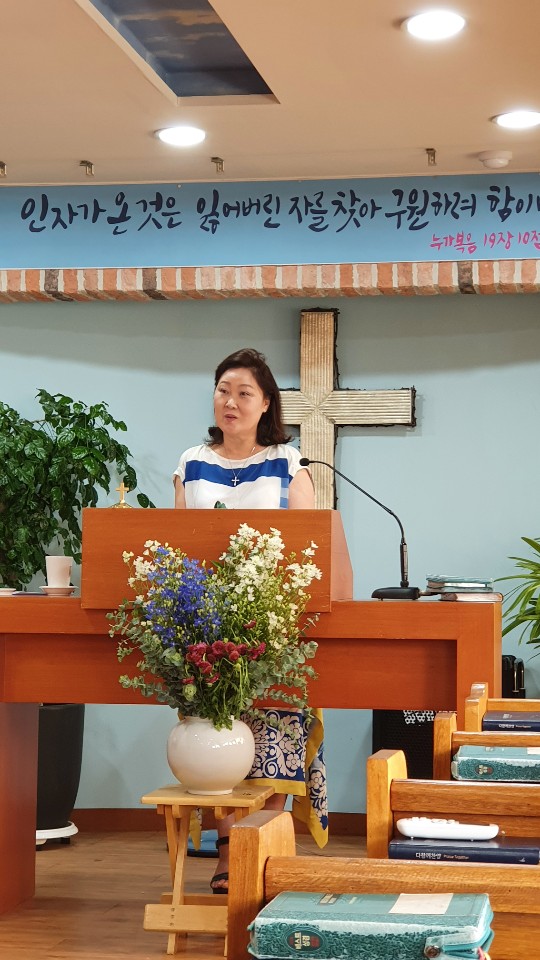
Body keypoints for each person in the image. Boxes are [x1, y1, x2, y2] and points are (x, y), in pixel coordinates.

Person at [173, 347, 327, 892]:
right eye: (223, 390)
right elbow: (178, 543)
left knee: (273, 735)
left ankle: (263, 851)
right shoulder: (191, 462)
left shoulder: (289, 463)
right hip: (208, 622)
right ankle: (227, 855)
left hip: (273, 621)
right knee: (218, 733)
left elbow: (310, 542)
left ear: (265, 405)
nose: (231, 402)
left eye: (244, 393)